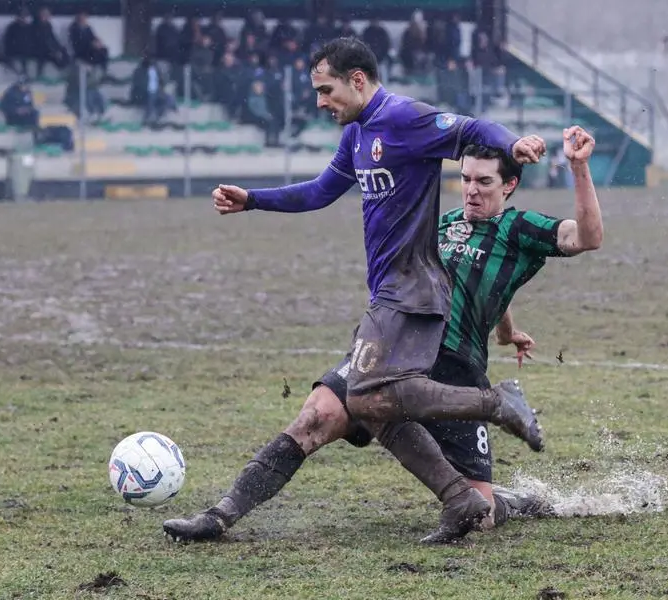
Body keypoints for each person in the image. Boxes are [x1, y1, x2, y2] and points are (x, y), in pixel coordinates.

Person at [164, 37, 549, 544]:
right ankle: (221, 516)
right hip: (387, 295)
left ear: (358, 80)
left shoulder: (406, 119)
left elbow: (473, 129)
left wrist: (514, 142)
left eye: (326, 90)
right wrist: (253, 199)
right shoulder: (358, 132)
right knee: (333, 410)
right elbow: (321, 191)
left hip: (413, 292)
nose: (321, 102)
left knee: (368, 397)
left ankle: (497, 404)